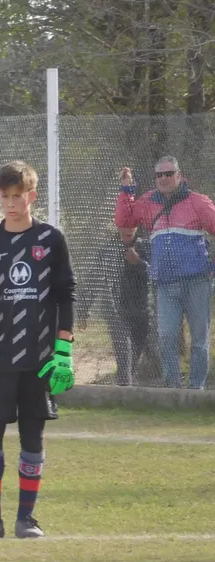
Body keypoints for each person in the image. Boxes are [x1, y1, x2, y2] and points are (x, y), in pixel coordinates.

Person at [0, 160, 76, 540]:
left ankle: (27, 520)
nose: (11, 203)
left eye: (18, 196)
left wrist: (63, 351)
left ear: (31, 196)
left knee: (32, 439)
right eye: (5, 197)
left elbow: (66, 295)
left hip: (39, 361)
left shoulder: (51, 240)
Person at [114, 158, 215, 389]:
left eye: (169, 174)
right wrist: (127, 189)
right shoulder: (148, 201)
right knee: (167, 336)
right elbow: (124, 220)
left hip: (197, 282)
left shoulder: (198, 202)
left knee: (199, 339)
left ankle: (195, 389)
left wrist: (212, 268)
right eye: (159, 175)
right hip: (165, 285)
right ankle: (172, 390)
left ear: (179, 175)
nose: (164, 179)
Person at [77, 227, 158, 386]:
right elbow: (94, 279)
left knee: (134, 357)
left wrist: (139, 263)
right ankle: (124, 391)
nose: (129, 229)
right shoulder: (108, 250)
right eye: (125, 225)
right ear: (119, 226)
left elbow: (157, 274)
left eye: (132, 225)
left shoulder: (146, 247)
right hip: (116, 311)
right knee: (124, 354)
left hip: (142, 312)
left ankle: (125, 391)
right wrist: (83, 311)